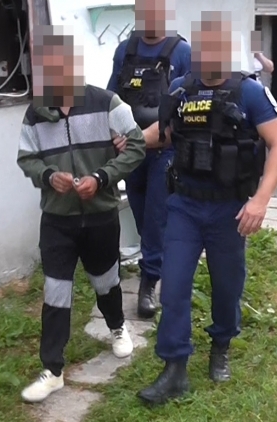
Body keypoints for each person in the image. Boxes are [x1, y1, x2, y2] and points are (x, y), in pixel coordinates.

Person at [136, 11, 277, 405]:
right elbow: (164, 135)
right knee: (173, 287)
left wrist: (260, 200)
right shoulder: (180, 90)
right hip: (185, 206)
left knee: (226, 286)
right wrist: (129, 140)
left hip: (229, 209)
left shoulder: (250, 92)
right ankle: (174, 369)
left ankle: (221, 344)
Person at [16, 25, 146, 403]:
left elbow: (136, 146)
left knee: (106, 281)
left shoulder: (107, 102)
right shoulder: (36, 113)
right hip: (57, 219)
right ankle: (53, 370)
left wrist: (102, 177)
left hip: (100, 214)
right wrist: (48, 176)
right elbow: (27, 158)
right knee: (55, 291)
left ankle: (117, 327)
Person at [106, 0, 192, 319]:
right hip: (131, 151)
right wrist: (112, 133)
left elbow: (190, 105)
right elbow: (111, 97)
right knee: (142, 214)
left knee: (156, 216)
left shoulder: (182, 52)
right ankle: (159, 260)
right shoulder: (125, 50)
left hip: (165, 151)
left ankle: (149, 282)